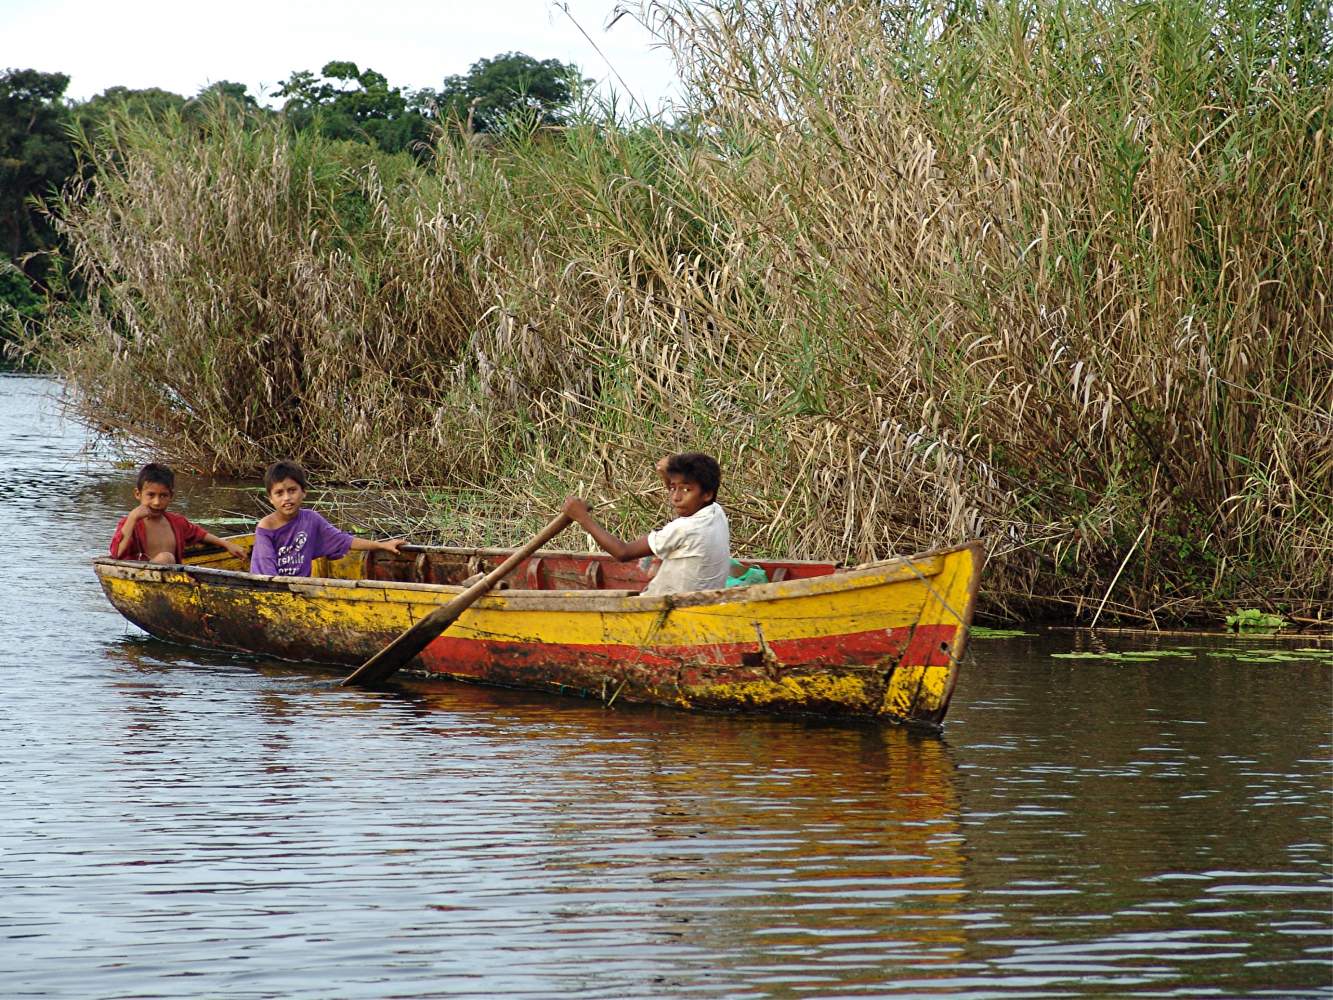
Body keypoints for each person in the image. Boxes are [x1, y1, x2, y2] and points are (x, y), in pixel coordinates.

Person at [562, 452, 730, 596]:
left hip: (668, 607)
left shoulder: (684, 529)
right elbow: (680, 494)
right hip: (699, 602)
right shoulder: (716, 512)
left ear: (707, 493)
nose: (676, 497)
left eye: (686, 490)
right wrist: (669, 476)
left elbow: (623, 552)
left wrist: (582, 517)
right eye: (672, 488)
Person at [250, 460, 405, 577]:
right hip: (271, 590)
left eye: (292, 490)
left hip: (301, 590)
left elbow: (343, 540)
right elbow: (266, 571)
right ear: (270, 498)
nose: (287, 498)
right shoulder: (266, 527)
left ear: (303, 492)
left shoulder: (311, 519)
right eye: (279, 493)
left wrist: (382, 545)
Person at [110, 462, 248, 565]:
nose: (157, 502)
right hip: (142, 577)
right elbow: (117, 553)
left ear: (171, 496)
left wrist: (226, 544)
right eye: (150, 495)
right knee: (166, 558)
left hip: (173, 578)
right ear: (138, 494)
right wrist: (132, 518)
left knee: (168, 558)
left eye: (163, 496)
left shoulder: (177, 522)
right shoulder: (130, 523)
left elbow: (200, 534)